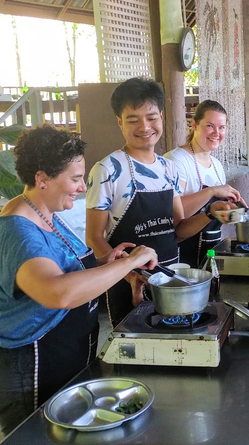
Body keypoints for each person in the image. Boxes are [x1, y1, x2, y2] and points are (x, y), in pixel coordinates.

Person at [0, 126, 157, 436]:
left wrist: (108, 264)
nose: (80, 188)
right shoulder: (19, 231)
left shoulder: (46, 213)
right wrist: (133, 260)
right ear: (42, 178)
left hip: (66, 360)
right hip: (34, 370)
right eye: (74, 179)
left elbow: (65, 269)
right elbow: (57, 292)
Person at [86, 77, 235, 327]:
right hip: (129, 283)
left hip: (171, 279)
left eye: (152, 117)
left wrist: (210, 213)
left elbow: (178, 230)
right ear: (119, 122)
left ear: (162, 118)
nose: (145, 127)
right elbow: (94, 238)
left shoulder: (169, 168)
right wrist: (130, 273)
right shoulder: (107, 169)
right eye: (133, 119)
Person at [164, 100, 243, 267]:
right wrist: (212, 192)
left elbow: (213, 215)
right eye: (210, 126)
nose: (216, 133)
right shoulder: (177, 160)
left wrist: (233, 212)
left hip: (209, 253)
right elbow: (176, 215)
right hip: (181, 256)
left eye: (221, 127)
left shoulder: (216, 165)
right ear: (194, 125)